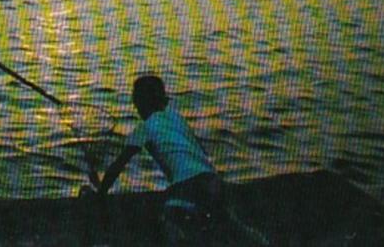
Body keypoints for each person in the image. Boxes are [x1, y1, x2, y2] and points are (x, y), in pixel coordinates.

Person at [90, 73, 268, 246]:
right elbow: (197, 149)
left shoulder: (144, 128)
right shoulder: (177, 118)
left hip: (187, 186)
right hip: (213, 180)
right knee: (228, 224)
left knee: (169, 223)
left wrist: (101, 191)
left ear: (142, 103)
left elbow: (118, 165)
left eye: (136, 102)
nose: (135, 107)